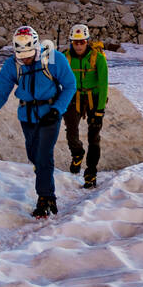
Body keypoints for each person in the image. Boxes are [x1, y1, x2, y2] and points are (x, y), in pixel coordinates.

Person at [0, 25, 77, 218]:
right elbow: (1, 92)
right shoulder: (12, 65)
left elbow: (70, 85)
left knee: (43, 155)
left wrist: (57, 109)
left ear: (36, 47)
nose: (25, 59)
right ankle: (44, 177)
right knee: (34, 155)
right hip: (27, 116)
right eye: (21, 55)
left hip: (50, 114)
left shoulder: (53, 58)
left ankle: (45, 198)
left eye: (29, 54)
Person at [62, 23, 108, 190]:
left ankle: (91, 174)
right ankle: (77, 153)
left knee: (93, 137)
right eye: (76, 42)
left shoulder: (98, 58)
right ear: (71, 42)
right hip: (73, 97)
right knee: (71, 133)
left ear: (88, 41)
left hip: (94, 98)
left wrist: (100, 110)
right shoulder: (65, 57)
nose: (79, 45)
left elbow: (103, 84)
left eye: (82, 42)